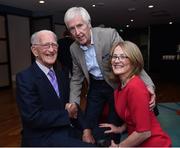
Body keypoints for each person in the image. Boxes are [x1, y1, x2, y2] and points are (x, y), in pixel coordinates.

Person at [64, 6, 156, 144]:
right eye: (72, 28)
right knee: (88, 122)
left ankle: (114, 144)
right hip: (95, 85)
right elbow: (76, 78)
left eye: (80, 25)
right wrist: (73, 103)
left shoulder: (108, 35)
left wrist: (149, 85)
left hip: (114, 84)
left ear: (89, 24)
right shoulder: (73, 48)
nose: (77, 32)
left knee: (114, 123)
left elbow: (130, 59)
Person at [15, 30, 94, 147]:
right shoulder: (25, 78)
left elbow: (72, 106)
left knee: (102, 134)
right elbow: (33, 118)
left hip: (65, 130)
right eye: (46, 45)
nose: (51, 50)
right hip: (42, 138)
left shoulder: (61, 75)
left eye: (54, 45)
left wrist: (86, 128)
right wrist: (66, 114)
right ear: (35, 50)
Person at [99, 41, 171, 147]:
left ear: (134, 61)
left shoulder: (135, 87)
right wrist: (120, 129)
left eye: (123, 57)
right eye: (114, 56)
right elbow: (132, 117)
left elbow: (144, 132)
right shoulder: (121, 87)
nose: (116, 61)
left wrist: (119, 146)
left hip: (154, 143)